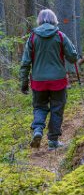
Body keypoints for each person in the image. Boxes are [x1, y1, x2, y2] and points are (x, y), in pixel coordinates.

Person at [19, 9, 78, 150]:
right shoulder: (60, 36)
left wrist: (24, 83)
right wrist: (73, 53)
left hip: (38, 81)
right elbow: (73, 57)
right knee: (57, 108)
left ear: (40, 20)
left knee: (39, 107)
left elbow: (25, 62)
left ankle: (38, 130)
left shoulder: (32, 38)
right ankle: (53, 141)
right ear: (54, 20)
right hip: (58, 80)